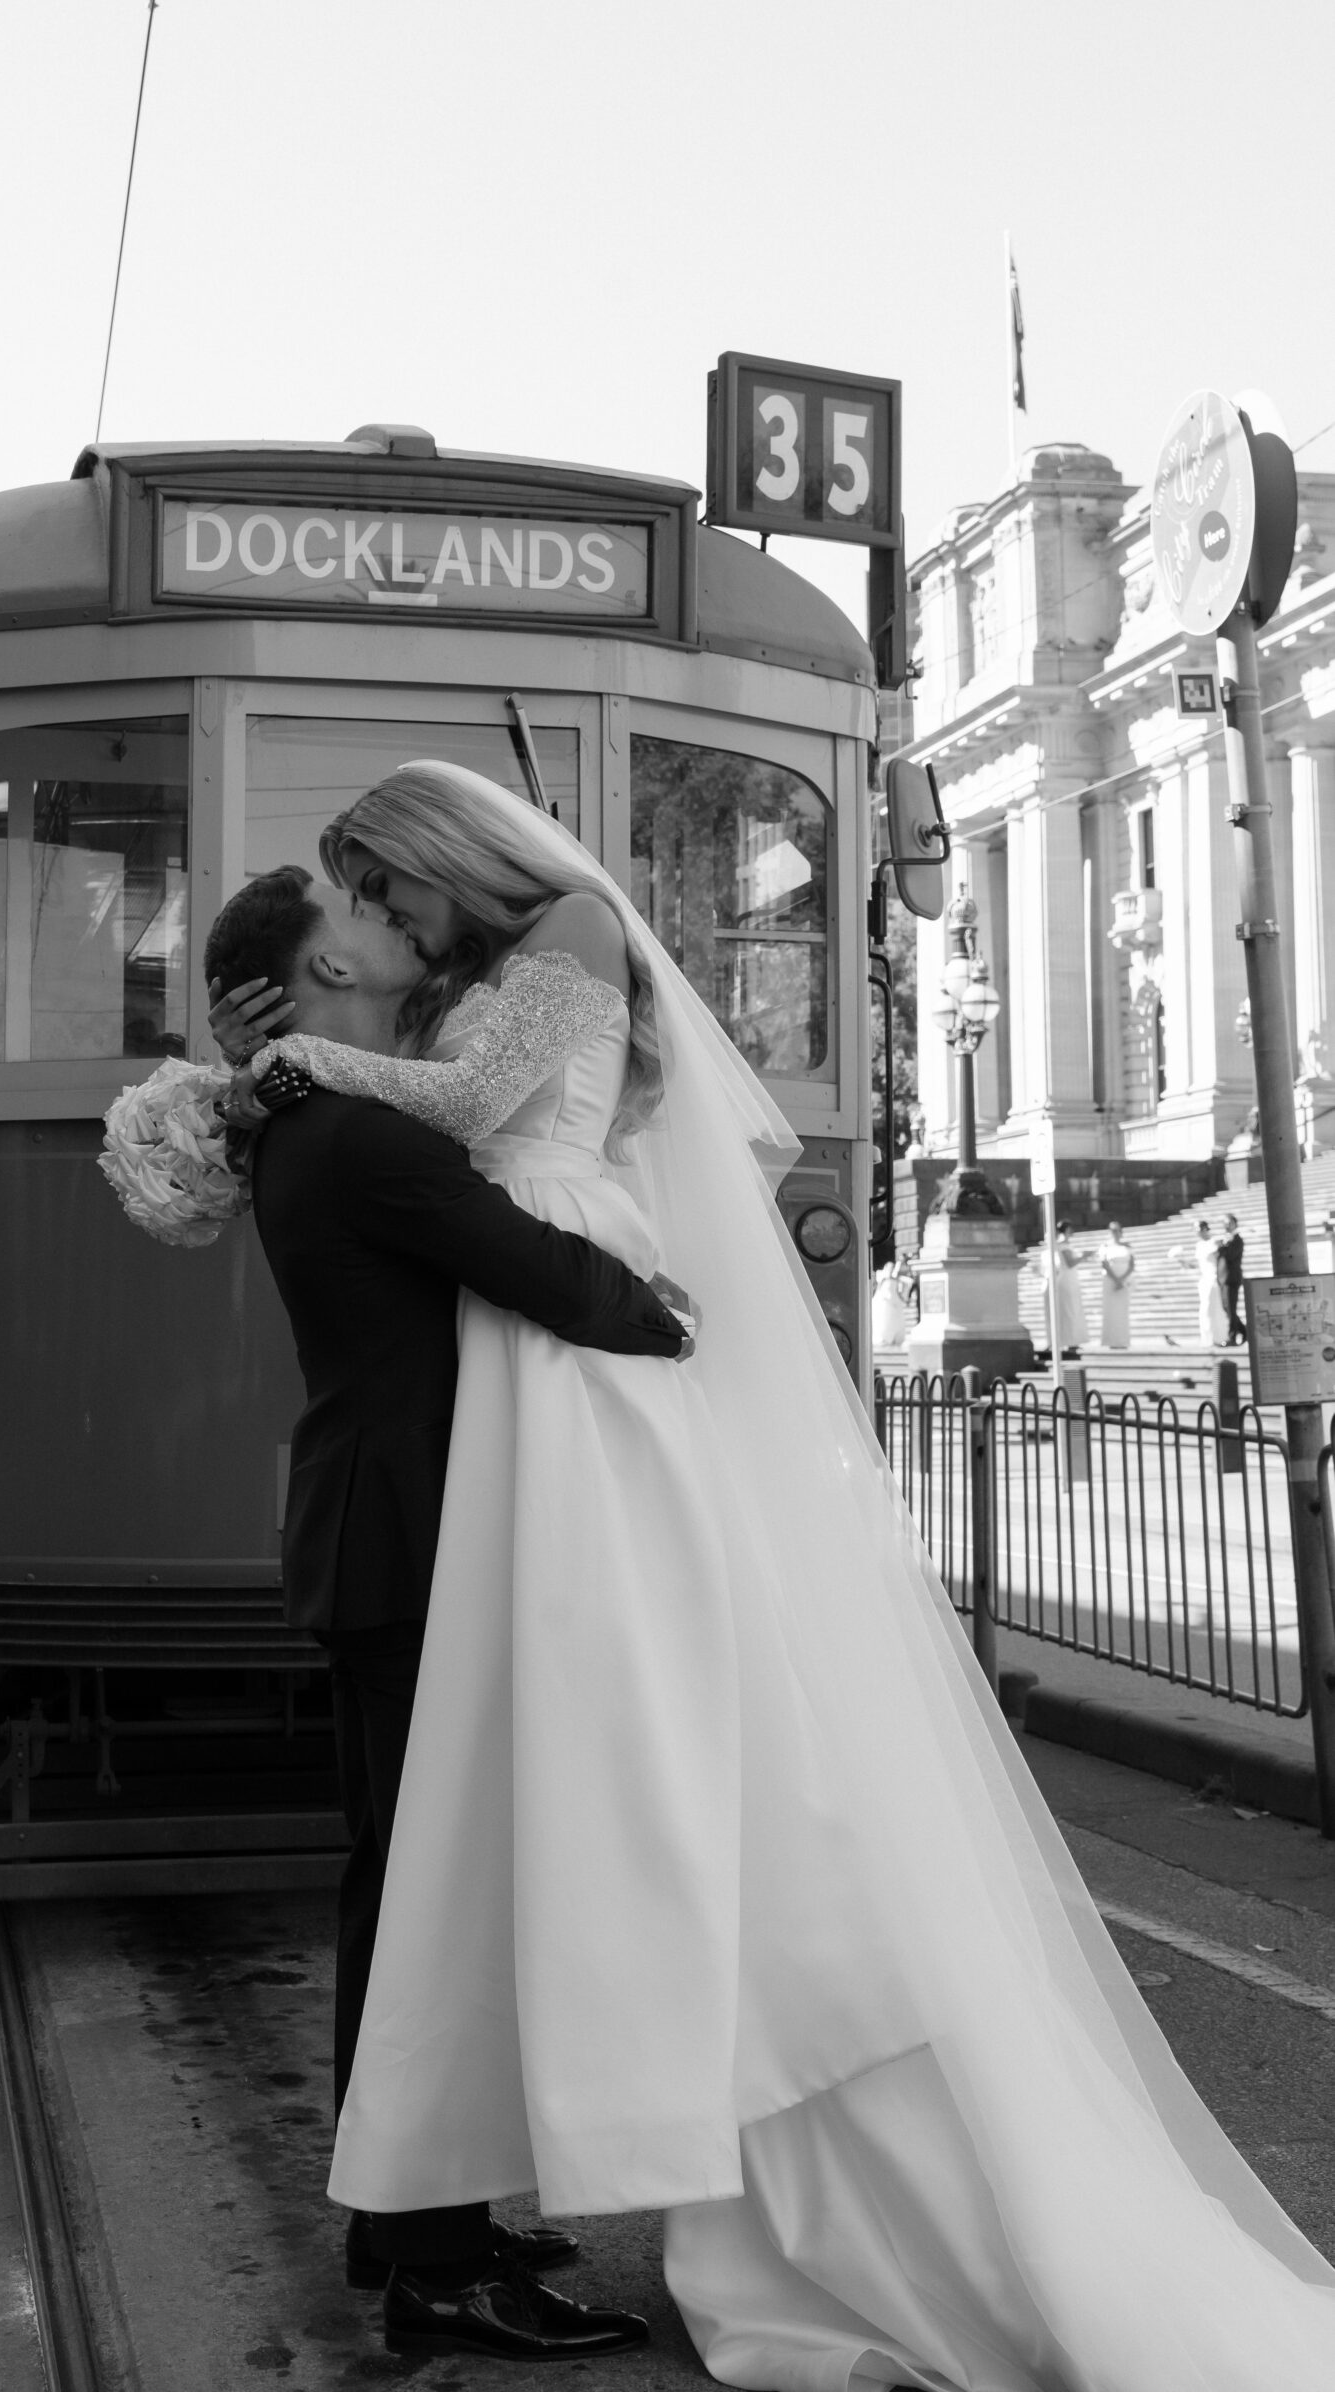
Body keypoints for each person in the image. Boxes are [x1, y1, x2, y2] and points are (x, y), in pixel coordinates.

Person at [211, 760, 1335, 2389]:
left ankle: (447, 2214)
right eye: (360, 917)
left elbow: (480, 1143)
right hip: (508, 1423)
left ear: (440, 867)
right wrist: (628, 1301)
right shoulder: (367, 1083)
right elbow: (498, 1212)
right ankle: (435, 2224)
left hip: (548, 1419)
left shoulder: (556, 949)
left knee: (519, 1831)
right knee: (459, 1855)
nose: (382, 925)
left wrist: (288, 1066)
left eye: (387, 894)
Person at [203, 862, 689, 2366]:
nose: (390, 928)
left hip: (379, 1540)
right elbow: (529, 1265)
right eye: (353, 918)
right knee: (427, 1904)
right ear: (315, 978)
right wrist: (666, 1318)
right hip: (405, 1551)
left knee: (400, 1889)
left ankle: (409, 2218)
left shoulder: (321, 1115)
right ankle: (434, 2266)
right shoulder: (350, 1134)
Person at [1175, 1216, 1226, 1346]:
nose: (1196, 1232)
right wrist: (1182, 1261)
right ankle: (1207, 1338)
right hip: (1204, 1279)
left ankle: (1219, 1337)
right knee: (1205, 1309)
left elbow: (1219, 1261)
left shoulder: (1215, 1242)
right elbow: (1197, 1265)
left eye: (1197, 1229)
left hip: (1214, 1278)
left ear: (1204, 1229)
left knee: (1215, 1308)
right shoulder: (1199, 1245)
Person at [1046, 1219, 1087, 1355]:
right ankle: (1069, 1341)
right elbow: (1070, 1263)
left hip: (1070, 1279)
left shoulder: (1065, 1244)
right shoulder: (1062, 1245)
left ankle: (1072, 1340)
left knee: (1073, 1309)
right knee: (1069, 1310)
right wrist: (1084, 1256)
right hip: (1066, 1280)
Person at [1098, 1219, 1135, 1349]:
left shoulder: (1127, 1247)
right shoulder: (1105, 1247)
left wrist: (1122, 1279)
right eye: (1112, 1230)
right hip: (1110, 1280)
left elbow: (1131, 1265)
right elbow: (1104, 1264)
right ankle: (1111, 1341)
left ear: (1121, 1231)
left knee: (1122, 1312)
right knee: (1111, 1312)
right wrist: (1116, 1279)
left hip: (1124, 1280)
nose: (1115, 1233)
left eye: (1117, 1230)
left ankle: (1122, 1340)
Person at [1219, 1211, 1248, 1344]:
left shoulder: (1237, 1240)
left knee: (1231, 1308)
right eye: (1225, 1223)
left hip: (1232, 1278)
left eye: (1230, 1223)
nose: (1227, 1226)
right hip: (1224, 1278)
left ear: (1235, 1224)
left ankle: (1232, 1337)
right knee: (1226, 1308)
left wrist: (1223, 1246)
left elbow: (1230, 1256)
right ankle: (1244, 1331)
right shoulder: (1225, 1239)